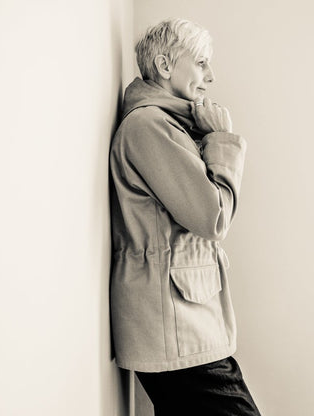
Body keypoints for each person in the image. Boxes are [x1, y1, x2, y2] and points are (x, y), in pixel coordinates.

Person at [109, 18, 261, 415]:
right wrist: (221, 141)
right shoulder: (149, 126)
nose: (210, 76)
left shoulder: (167, 124)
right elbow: (213, 218)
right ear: (164, 65)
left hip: (185, 325)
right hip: (179, 331)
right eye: (201, 62)